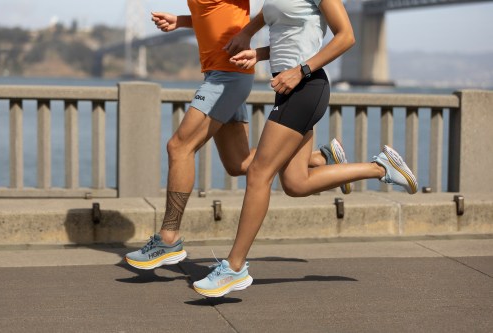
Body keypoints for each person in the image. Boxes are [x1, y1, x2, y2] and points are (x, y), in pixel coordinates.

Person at [193, 0, 418, 298]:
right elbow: (281, 30)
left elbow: (346, 36)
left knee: (259, 172)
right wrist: (253, 46)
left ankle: (234, 267)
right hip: (288, 89)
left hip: (305, 87)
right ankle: (379, 167)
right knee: (296, 183)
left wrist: (300, 71)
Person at [124, 0, 350, 270]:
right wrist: (182, 21)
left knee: (179, 147)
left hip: (227, 76)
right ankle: (319, 158)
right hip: (221, 71)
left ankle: (169, 238)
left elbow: (343, 35)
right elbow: (216, 17)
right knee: (238, 163)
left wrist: (253, 39)